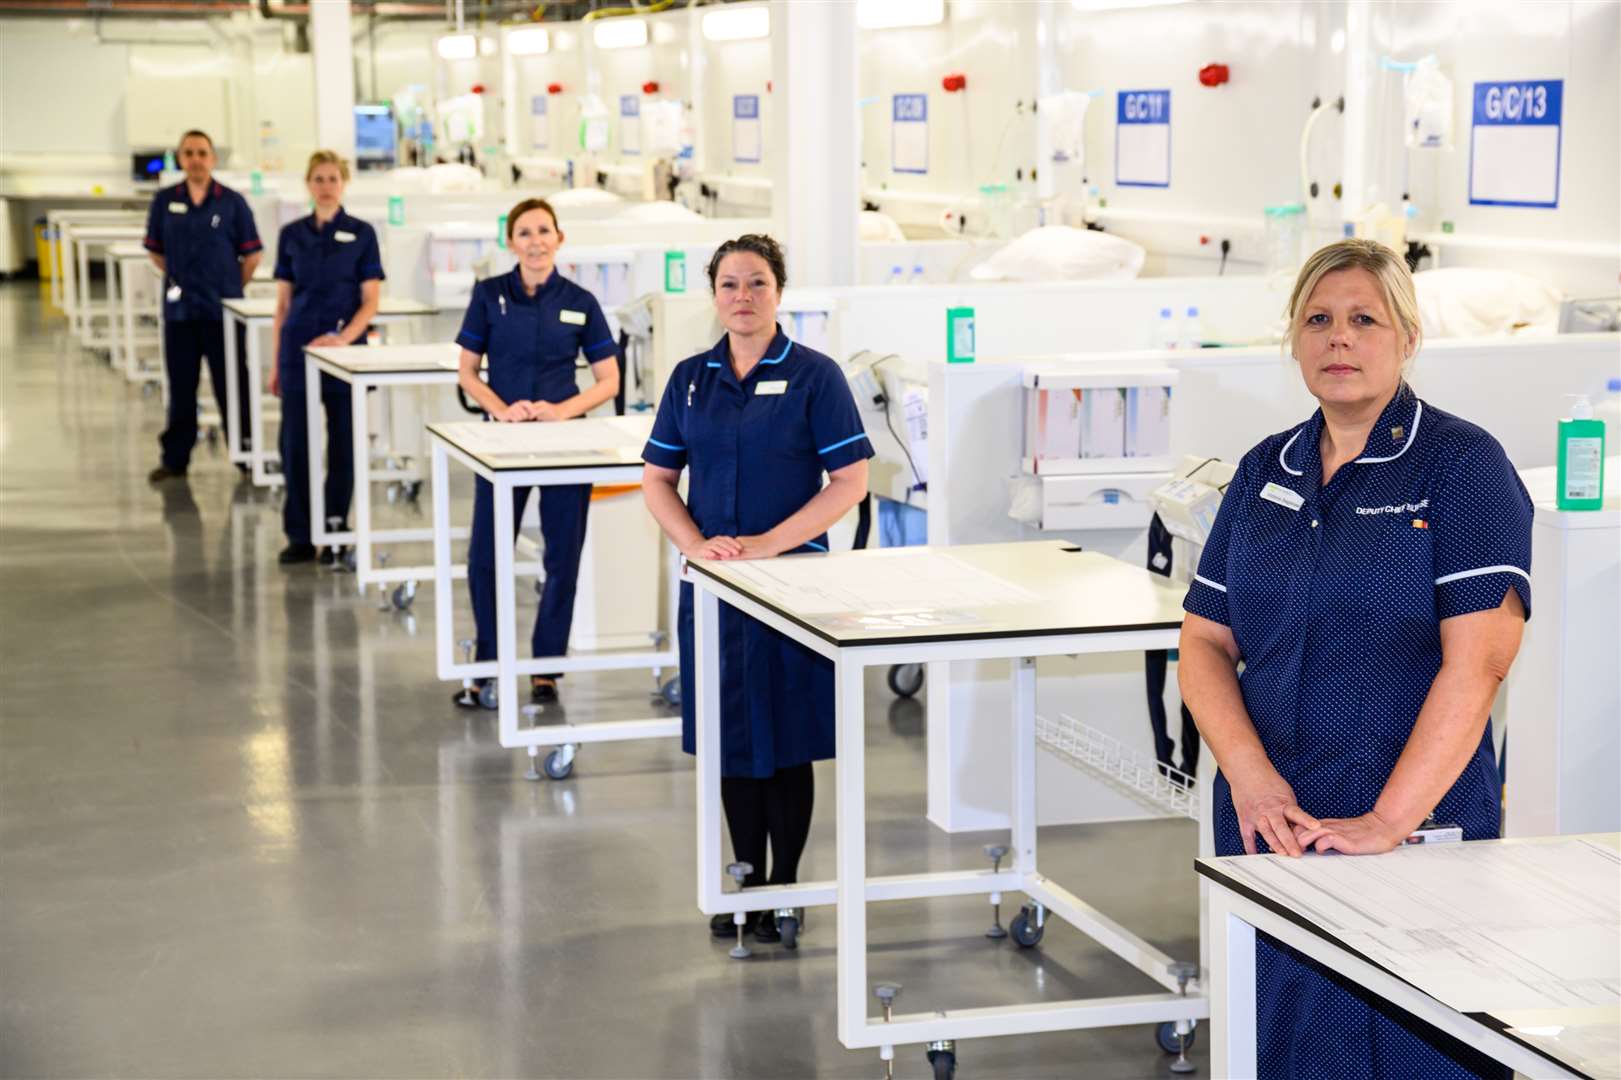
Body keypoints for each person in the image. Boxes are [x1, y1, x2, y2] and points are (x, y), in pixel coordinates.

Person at [1179, 238, 1531, 1080]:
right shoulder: (1267, 467)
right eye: (1318, 320)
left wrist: (1386, 821)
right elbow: (1203, 641)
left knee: (1417, 1043)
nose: (1339, 338)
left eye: (1363, 319)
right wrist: (1251, 779)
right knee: (1288, 1041)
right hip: (1275, 825)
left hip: (1412, 824)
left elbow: (1477, 663)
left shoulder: (1460, 465)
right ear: (1295, 341)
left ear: (1406, 336)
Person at [641, 234, 872, 943]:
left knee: (788, 737)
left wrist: (770, 546)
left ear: (779, 293)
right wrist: (693, 545)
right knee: (729, 736)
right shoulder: (689, 379)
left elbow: (850, 483)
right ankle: (743, 876)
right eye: (730, 285)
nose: (743, 297)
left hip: (791, 586)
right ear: (713, 295)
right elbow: (657, 479)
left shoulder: (815, 376)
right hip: (713, 588)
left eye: (758, 284)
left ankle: (784, 884)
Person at [453, 198, 620, 704]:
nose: (535, 241)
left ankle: (546, 664)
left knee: (562, 554)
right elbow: (466, 372)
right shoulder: (488, 295)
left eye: (543, 231)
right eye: (524, 232)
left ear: (559, 238)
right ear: (510, 242)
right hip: (502, 443)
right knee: (486, 554)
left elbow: (608, 380)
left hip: (566, 441)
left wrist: (563, 409)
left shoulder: (581, 301)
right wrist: (500, 409)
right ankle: (488, 662)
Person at [268, 151, 384, 565]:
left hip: (343, 355)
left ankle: (335, 525)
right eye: (318, 178)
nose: (326, 185)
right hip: (298, 350)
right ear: (308, 184)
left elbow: (371, 301)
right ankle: (300, 534)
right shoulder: (292, 235)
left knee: (344, 442)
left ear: (344, 182)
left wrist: (345, 338)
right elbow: (282, 305)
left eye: (333, 178)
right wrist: (276, 361)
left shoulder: (362, 233)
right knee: (294, 444)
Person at [143, 129, 262, 483]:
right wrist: (185, 280)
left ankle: (246, 456)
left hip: (222, 312)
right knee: (181, 386)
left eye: (202, 153)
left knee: (232, 385)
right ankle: (175, 459)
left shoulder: (232, 202)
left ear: (213, 158)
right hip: (180, 313)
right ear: (180, 158)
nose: (195, 159)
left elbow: (252, 255)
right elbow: (156, 251)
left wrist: (227, 287)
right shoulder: (165, 201)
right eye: (189, 153)